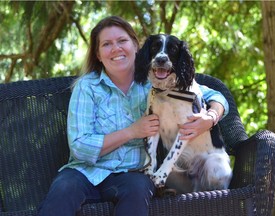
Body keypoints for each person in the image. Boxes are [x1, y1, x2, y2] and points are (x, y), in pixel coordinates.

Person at [37, 16, 229, 216]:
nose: (116, 48)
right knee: (64, 188)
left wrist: (211, 117)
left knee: (138, 190)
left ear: (136, 46)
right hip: (84, 172)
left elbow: (214, 95)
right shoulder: (87, 87)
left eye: (122, 41)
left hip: (132, 174)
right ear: (98, 54)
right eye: (106, 44)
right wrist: (132, 131)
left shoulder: (157, 80)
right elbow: (80, 147)